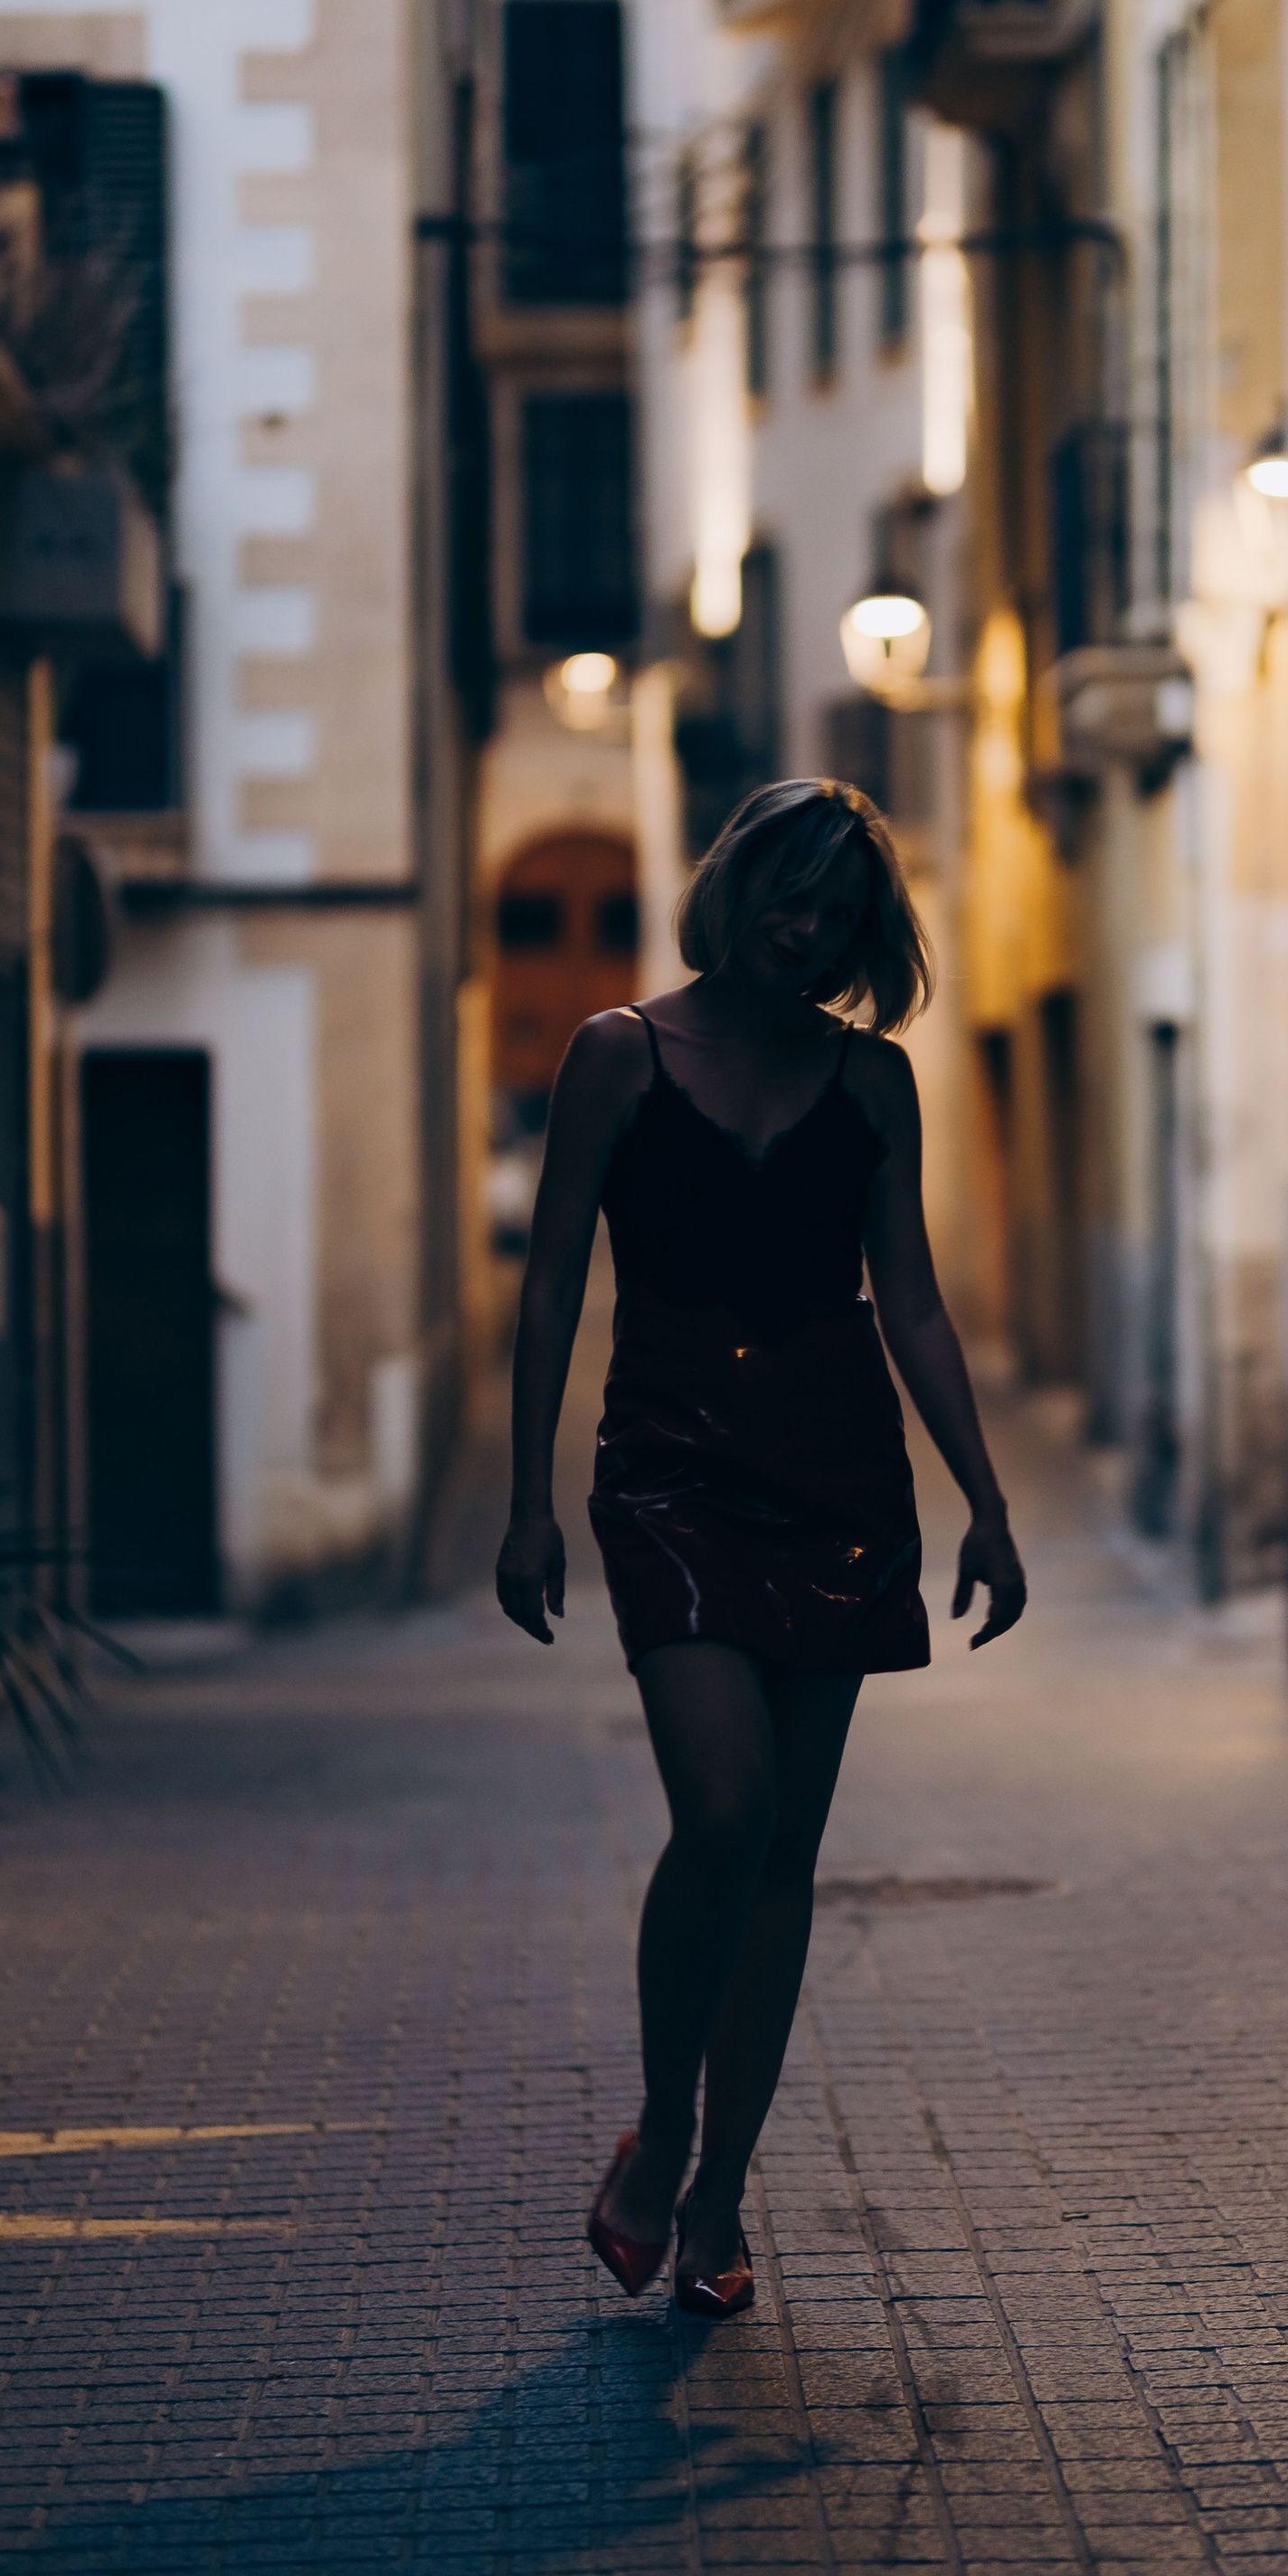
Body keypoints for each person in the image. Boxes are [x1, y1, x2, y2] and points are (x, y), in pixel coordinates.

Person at [496, 778, 1027, 2317]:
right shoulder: (617, 1057)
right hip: (666, 1468)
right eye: (791, 898)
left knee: (786, 1854)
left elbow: (910, 1299)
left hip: (837, 1472)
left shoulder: (873, 1084)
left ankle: (722, 2194)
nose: (810, 931)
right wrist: (529, 1501)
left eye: (841, 915)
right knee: (723, 1813)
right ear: (735, 886)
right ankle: (664, 2138)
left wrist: (984, 1499)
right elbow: (547, 1290)